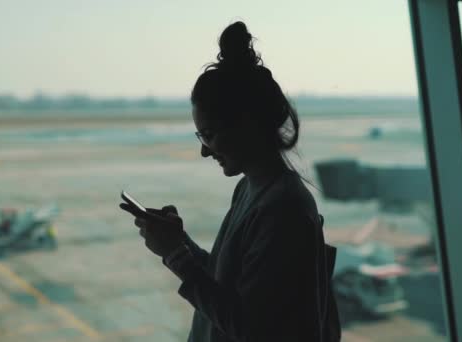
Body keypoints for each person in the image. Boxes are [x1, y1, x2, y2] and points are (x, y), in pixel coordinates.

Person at [120, 21, 340, 342]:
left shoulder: (283, 209)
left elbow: (251, 329)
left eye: (209, 135)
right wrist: (181, 245)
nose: (204, 151)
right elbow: (232, 287)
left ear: (246, 125)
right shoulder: (252, 190)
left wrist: (176, 257)